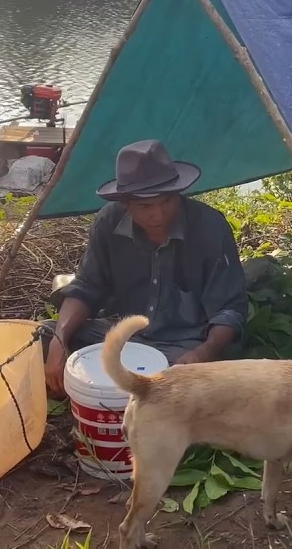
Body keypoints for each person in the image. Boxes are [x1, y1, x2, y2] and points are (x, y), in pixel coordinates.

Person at [43, 139, 249, 397]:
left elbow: (229, 310)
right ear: (126, 203)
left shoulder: (210, 228)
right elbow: (87, 287)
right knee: (39, 339)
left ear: (178, 193)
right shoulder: (109, 222)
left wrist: (203, 353)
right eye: (144, 206)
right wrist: (59, 342)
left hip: (182, 349)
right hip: (120, 337)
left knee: (184, 388)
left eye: (167, 202)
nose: (159, 215)